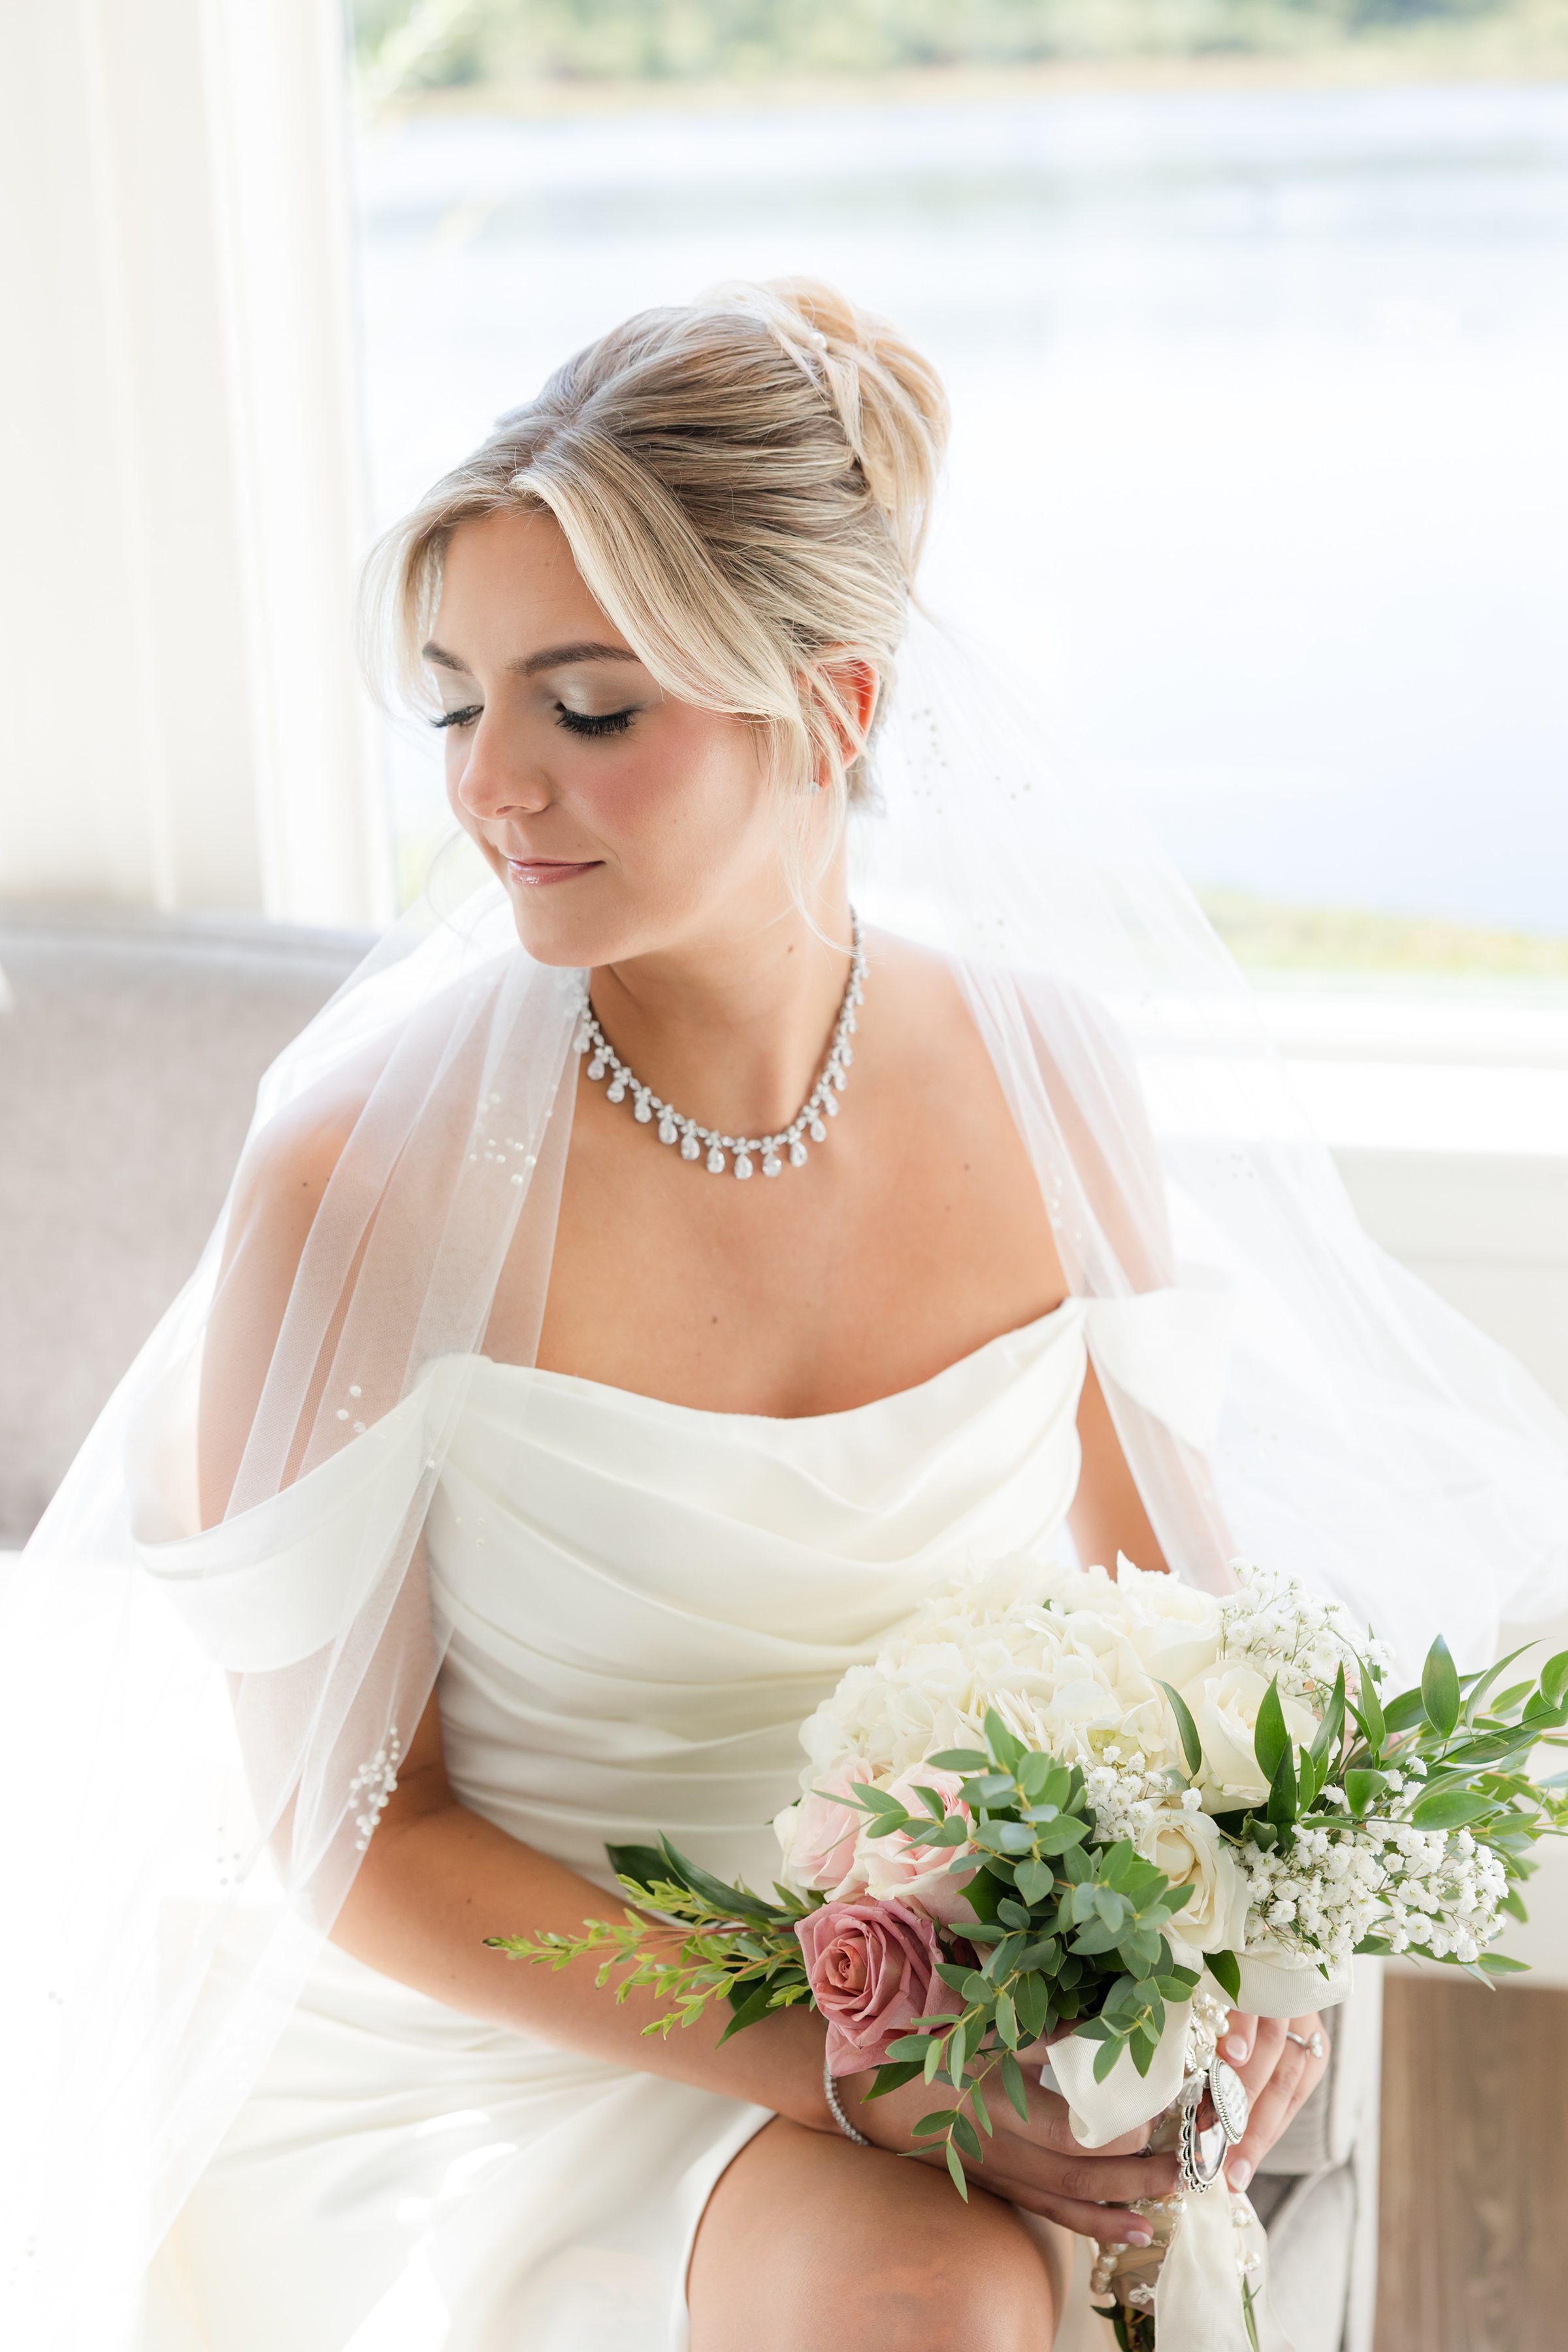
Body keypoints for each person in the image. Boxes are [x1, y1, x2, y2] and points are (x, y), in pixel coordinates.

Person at [139, 280, 1325, 2351]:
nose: (493, 783)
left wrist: (1249, 1973)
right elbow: (357, 1836)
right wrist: (843, 2056)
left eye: (588, 707)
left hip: (974, 2003)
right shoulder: (365, 1178)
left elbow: (1199, 1643)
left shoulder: (1051, 1084)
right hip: (513, 2032)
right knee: (920, 2310)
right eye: (453, 702)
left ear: (837, 709)